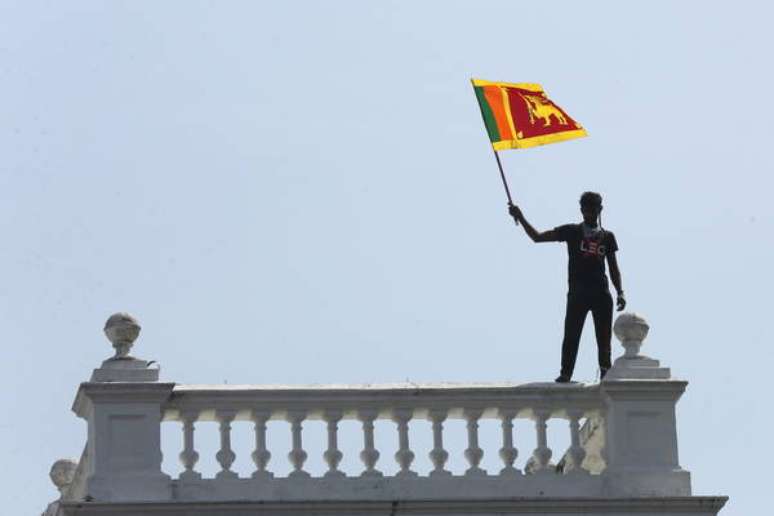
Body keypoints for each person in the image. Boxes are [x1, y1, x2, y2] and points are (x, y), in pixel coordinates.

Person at [508, 192, 626, 383]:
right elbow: (537, 237)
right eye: (586, 209)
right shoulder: (571, 231)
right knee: (571, 334)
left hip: (601, 294)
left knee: (604, 337)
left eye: (593, 209)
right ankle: (566, 373)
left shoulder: (607, 237)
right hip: (578, 293)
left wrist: (620, 291)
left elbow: (613, 267)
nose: (590, 213)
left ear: (600, 210)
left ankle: (605, 371)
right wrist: (520, 217)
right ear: (581, 210)